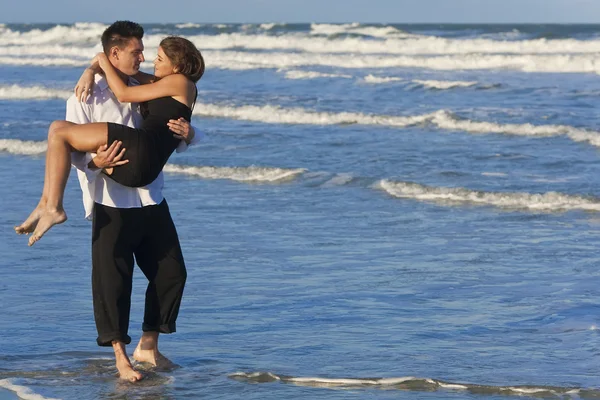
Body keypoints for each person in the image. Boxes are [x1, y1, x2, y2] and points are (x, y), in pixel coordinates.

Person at [15, 21, 202, 382]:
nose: (145, 57)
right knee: (112, 282)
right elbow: (73, 153)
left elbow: (178, 126)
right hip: (110, 198)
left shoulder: (149, 84)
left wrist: (192, 133)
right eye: (138, 51)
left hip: (150, 197)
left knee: (171, 274)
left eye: (150, 53)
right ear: (115, 53)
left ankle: (149, 345)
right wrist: (94, 163)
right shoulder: (84, 96)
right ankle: (120, 358)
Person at [15, 31, 204, 247]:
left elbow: (123, 94)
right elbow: (120, 71)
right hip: (139, 166)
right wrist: (91, 69)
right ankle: (47, 204)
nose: (150, 60)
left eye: (159, 58)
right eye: (142, 53)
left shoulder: (180, 82)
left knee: (58, 131)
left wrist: (102, 60)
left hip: (142, 154)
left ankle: (53, 207)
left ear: (177, 67)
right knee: (58, 131)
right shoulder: (162, 84)